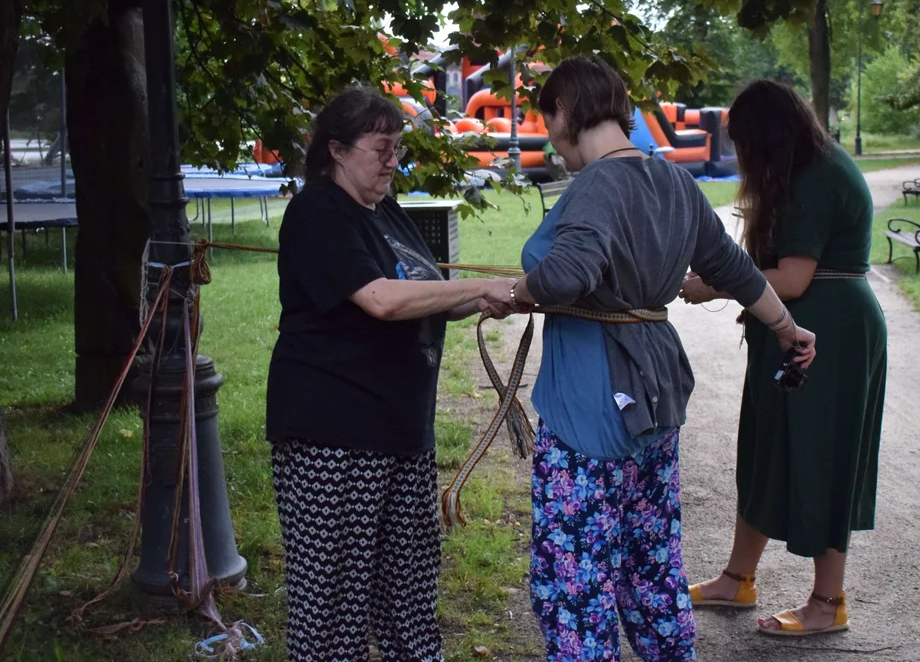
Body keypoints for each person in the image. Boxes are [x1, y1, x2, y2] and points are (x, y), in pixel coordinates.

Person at [508, 56, 817, 660]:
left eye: (548, 121)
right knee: (651, 573)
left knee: (575, 586)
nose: (552, 140)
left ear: (565, 112)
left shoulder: (595, 182)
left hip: (590, 413)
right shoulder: (673, 180)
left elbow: (568, 273)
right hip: (654, 403)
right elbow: (734, 269)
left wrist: (513, 293)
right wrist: (788, 328)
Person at [265, 87, 515, 662]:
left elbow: (423, 292)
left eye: (397, 147)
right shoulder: (318, 212)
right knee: (333, 603)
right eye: (381, 148)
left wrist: (489, 299)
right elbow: (379, 299)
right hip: (335, 435)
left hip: (401, 432)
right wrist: (478, 286)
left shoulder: (387, 211)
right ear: (336, 150)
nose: (392, 160)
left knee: (408, 592)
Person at [680, 79, 888, 637]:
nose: (741, 156)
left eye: (744, 143)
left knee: (824, 457)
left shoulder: (815, 179)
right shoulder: (804, 168)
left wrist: (715, 285)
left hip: (831, 337)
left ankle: (827, 602)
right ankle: (737, 579)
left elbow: (793, 279)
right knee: (765, 449)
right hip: (793, 334)